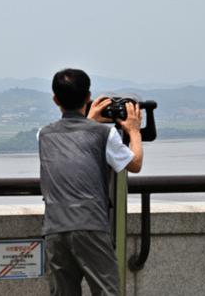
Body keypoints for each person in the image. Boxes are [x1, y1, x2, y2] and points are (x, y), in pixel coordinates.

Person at [39, 68, 143, 296]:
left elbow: (75, 139)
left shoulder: (44, 135)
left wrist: (88, 120)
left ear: (55, 99)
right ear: (88, 97)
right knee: (107, 292)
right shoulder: (104, 135)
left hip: (55, 227)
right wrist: (134, 131)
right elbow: (134, 164)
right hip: (90, 225)